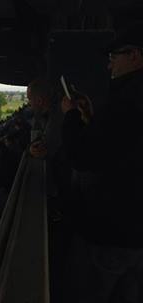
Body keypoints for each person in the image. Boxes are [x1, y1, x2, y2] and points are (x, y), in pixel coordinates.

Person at [62, 27, 143, 303]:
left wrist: (71, 116)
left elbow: (83, 157)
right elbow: (121, 146)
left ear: (134, 55)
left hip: (112, 231)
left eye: (114, 56)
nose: (109, 63)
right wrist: (92, 118)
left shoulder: (127, 98)